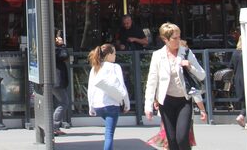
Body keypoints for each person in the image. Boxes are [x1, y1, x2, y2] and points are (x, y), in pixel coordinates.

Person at [144, 22, 205, 150]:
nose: (178, 40)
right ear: (165, 39)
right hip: (166, 102)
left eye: (179, 37)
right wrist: (148, 105)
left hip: (184, 101)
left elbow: (202, 75)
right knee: (171, 140)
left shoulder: (186, 52)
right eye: (175, 38)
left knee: (182, 138)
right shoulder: (157, 56)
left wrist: (189, 66)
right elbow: (152, 81)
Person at [87, 44, 129, 150]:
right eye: (114, 53)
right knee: (109, 134)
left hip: (98, 105)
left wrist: (91, 107)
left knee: (108, 131)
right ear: (109, 54)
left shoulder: (95, 67)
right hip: (112, 104)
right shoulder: (115, 67)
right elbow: (122, 86)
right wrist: (126, 103)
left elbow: (90, 88)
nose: (115, 56)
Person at [52, 32, 70, 136]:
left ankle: (55, 127)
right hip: (56, 81)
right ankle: (54, 126)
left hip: (55, 80)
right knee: (64, 102)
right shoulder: (55, 49)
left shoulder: (53, 48)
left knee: (59, 102)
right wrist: (62, 44)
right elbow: (64, 55)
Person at [230, 37, 246, 128]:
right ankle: (242, 115)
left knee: (244, 100)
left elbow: (231, 66)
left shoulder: (235, 53)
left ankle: (243, 117)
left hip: (238, 78)